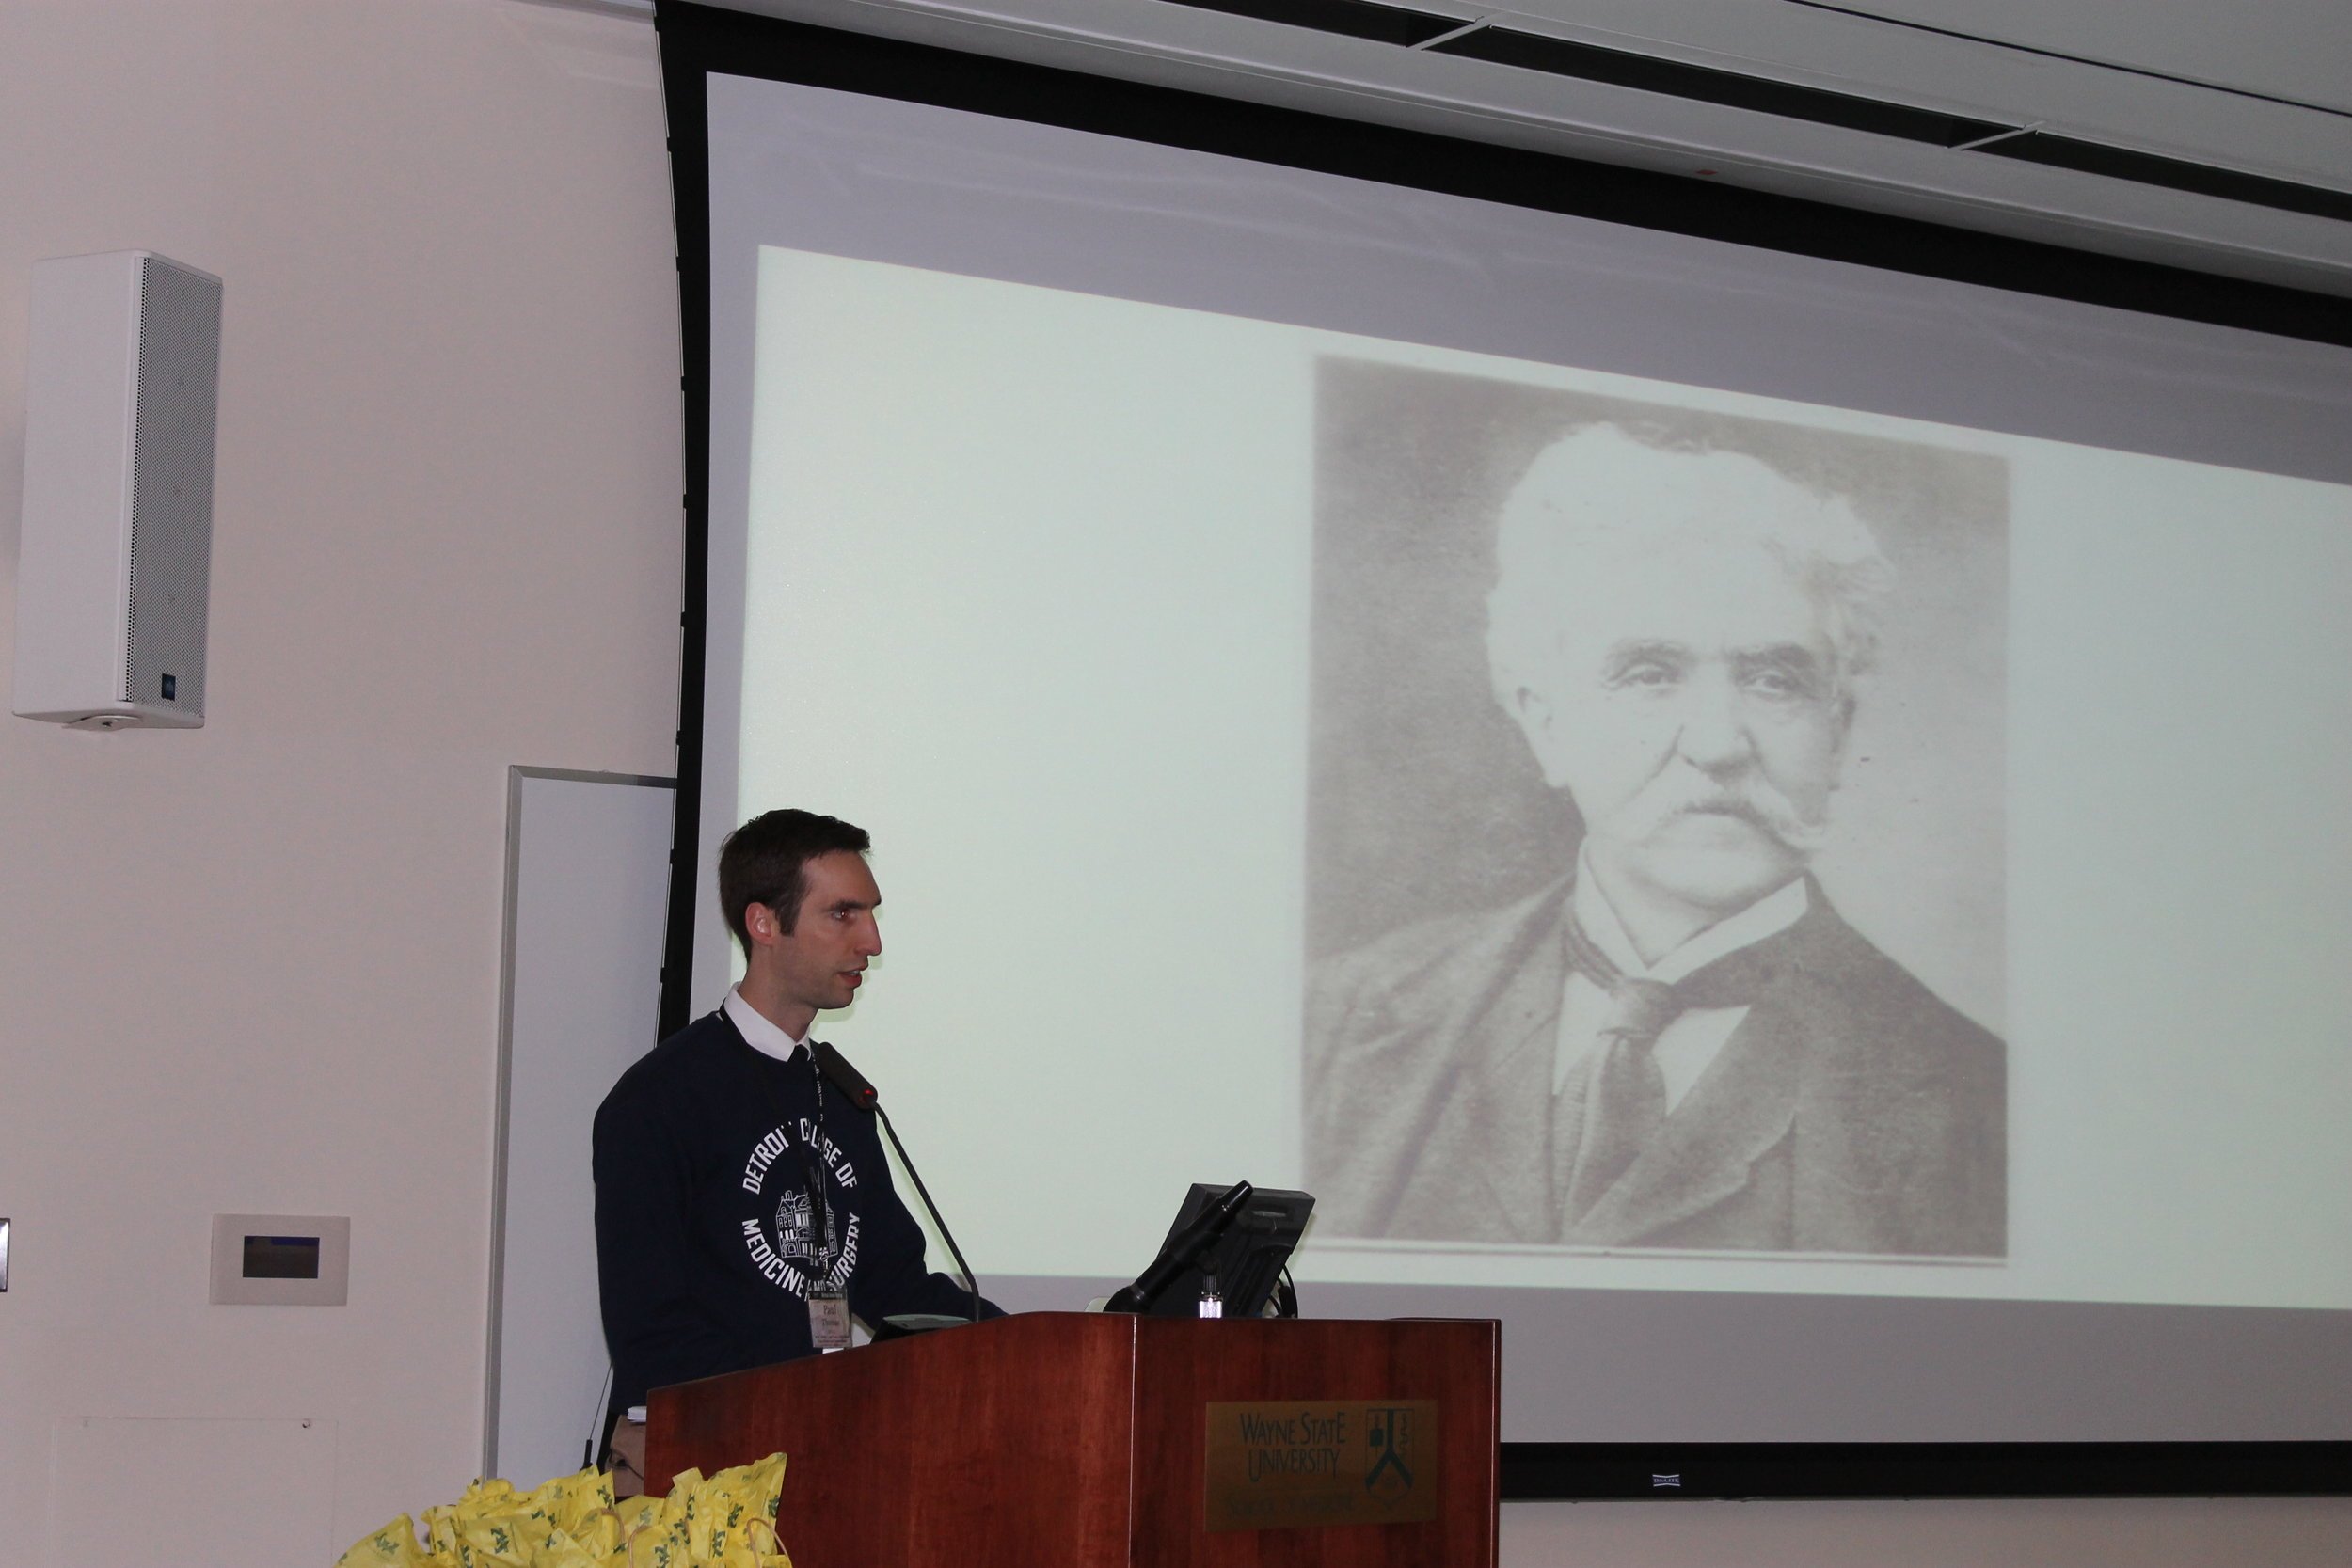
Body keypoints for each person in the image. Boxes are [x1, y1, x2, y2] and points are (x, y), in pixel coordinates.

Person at [1305, 422, 2004, 1256]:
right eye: (1650, 674)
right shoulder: (1339, 1022)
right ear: (1545, 722)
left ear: (1838, 727)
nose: (1718, 741)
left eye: (1775, 680)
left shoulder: (1979, 1101)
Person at [594, 809, 995, 1440]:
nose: (871, 941)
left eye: (871, 913)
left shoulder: (838, 1094)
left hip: (815, 1437)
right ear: (763, 923)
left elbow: (894, 1286)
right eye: (843, 914)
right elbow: (652, 1328)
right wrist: (804, 1409)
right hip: (695, 1453)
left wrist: (1036, 1338)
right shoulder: (660, 1098)